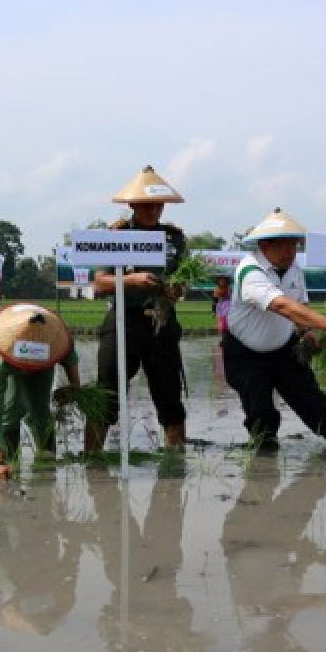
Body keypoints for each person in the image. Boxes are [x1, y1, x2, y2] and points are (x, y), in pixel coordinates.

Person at [222, 208, 326, 451]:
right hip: (246, 354)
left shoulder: (294, 270)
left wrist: (305, 331)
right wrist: (325, 323)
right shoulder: (249, 271)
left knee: (317, 408)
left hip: (283, 349)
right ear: (264, 246)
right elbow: (280, 304)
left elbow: (299, 304)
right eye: (284, 246)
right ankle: (263, 474)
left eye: (295, 245)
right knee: (262, 418)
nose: (291, 252)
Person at [85, 165, 188, 453]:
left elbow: (183, 280)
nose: (152, 210)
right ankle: (92, 459)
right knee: (106, 393)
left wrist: (176, 289)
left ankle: (176, 464)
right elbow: (100, 283)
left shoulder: (174, 239)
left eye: (157, 204)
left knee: (169, 395)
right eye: (145, 204)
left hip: (162, 321)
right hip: (124, 320)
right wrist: (132, 280)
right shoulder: (116, 234)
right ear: (132, 204)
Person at [0, 304, 81, 484]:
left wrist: (74, 388)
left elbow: (70, 360)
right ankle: (9, 461)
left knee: (39, 408)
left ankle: (47, 459)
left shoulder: (56, 336)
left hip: (41, 359)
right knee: (10, 407)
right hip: (3, 346)